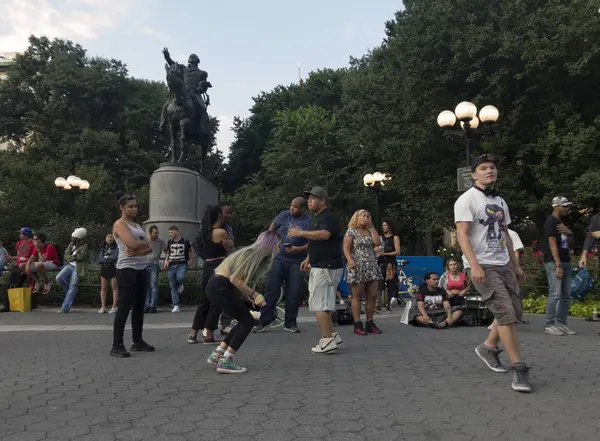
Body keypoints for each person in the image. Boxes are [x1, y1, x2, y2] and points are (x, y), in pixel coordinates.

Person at [454, 154, 530, 393]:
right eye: (484, 168)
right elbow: (462, 235)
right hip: (483, 264)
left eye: (493, 168)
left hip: (503, 262)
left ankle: (488, 346)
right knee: (505, 314)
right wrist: (474, 264)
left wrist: (515, 265)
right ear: (474, 174)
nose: (490, 171)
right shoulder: (466, 200)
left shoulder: (501, 201)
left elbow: (506, 234)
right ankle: (519, 368)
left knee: (515, 310)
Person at [205, 231, 279, 373]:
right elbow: (235, 279)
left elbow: (235, 282)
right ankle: (226, 361)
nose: (279, 248)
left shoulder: (247, 252)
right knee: (247, 321)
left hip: (216, 286)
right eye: (278, 244)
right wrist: (255, 294)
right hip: (221, 287)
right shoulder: (253, 255)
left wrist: (248, 298)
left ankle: (218, 354)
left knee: (243, 320)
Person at [288, 187, 344, 354]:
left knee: (320, 305)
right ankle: (333, 336)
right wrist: (308, 258)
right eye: (309, 198)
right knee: (322, 304)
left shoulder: (329, 217)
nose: (309, 200)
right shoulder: (316, 218)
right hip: (319, 264)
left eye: (314, 197)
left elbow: (324, 235)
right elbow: (316, 243)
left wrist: (300, 232)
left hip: (326, 267)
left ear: (323, 201)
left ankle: (327, 341)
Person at [254, 196, 311, 333]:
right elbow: (272, 228)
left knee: (294, 293)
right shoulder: (284, 215)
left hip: (297, 261)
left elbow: (312, 243)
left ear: (303, 209)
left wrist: (299, 249)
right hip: (279, 259)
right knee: (271, 290)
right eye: (291, 205)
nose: (292, 208)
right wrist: (273, 240)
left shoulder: (308, 221)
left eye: (295, 207)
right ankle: (264, 321)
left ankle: (290, 323)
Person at [111, 193, 155, 358]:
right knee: (124, 306)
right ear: (122, 207)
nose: (134, 209)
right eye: (130, 206)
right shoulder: (119, 224)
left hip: (140, 268)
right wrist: (143, 245)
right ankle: (117, 345)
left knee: (139, 306)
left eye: (136, 206)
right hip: (126, 269)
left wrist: (139, 249)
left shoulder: (136, 225)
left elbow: (149, 248)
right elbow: (131, 244)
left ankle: (137, 341)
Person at [189, 205, 233, 344]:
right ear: (219, 216)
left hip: (207, 267)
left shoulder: (204, 233)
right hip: (219, 266)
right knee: (217, 301)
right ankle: (209, 333)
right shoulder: (220, 232)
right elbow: (229, 248)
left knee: (204, 301)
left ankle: (194, 333)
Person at [540, 197, 576, 336]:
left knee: (565, 295)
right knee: (555, 293)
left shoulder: (561, 222)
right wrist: (558, 264)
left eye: (567, 206)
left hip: (566, 260)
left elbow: (568, 243)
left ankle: (561, 323)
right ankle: (549, 324)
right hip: (555, 262)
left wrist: (569, 232)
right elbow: (552, 244)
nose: (567, 208)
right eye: (564, 206)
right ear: (555, 206)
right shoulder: (550, 222)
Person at [343, 209, 383, 335]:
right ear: (357, 217)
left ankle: (370, 322)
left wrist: (372, 227)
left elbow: (377, 243)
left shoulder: (370, 231)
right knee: (357, 296)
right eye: (363, 216)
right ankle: (357, 323)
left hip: (371, 265)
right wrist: (350, 260)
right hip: (357, 265)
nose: (366, 218)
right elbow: (346, 247)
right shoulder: (351, 230)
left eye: (368, 216)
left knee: (372, 295)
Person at [163, 225, 195, 313]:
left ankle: (180, 284)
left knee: (180, 277)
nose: (170, 234)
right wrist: (166, 260)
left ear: (177, 232)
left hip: (182, 263)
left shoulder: (185, 241)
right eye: (169, 233)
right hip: (171, 264)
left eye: (171, 232)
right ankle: (176, 305)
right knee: (172, 286)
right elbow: (168, 252)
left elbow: (191, 249)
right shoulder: (169, 241)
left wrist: (191, 259)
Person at [56, 228, 89, 313]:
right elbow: (66, 254)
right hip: (70, 265)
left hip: (78, 267)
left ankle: (65, 308)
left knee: (73, 285)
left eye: (74, 237)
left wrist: (72, 257)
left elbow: (81, 257)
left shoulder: (84, 246)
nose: (72, 238)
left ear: (78, 238)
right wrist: (73, 258)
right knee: (59, 278)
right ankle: (72, 293)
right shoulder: (71, 245)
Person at [377, 218, 401, 312]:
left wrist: (385, 254)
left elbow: (398, 252)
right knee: (380, 282)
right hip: (381, 261)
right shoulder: (380, 238)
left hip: (390, 262)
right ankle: (378, 304)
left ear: (390, 226)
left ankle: (388, 305)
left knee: (391, 283)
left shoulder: (395, 237)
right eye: (382, 225)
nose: (383, 227)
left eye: (385, 225)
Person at [508, 228, 528, 324]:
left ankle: (517, 317)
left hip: (510, 267)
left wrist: (516, 267)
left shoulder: (512, 234)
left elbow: (516, 252)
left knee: (514, 292)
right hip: (497, 266)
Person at [145, 226, 166, 314]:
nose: (157, 234)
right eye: (155, 233)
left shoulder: (161, 240)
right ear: (150, 233)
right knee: (146, 286)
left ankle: (153, 305)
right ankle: (147, 304)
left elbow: (166, 251)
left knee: (153, 284)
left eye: (158, 232)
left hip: (154, 263)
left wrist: (165, 261)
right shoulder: (145, 240)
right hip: (145, 263)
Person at [98, 233, 119, 314]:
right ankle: (103, 306)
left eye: (111, 237)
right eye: (108, 236)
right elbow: (99, 260)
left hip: (113, 267)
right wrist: (107, 259)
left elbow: (115, 257)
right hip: (104, 268)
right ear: (105, 239)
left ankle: (114, 306)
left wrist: (107, 257)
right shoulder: (103, 248)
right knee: (103, 288)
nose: (110, 238)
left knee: (114, 287)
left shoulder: (117, 247)